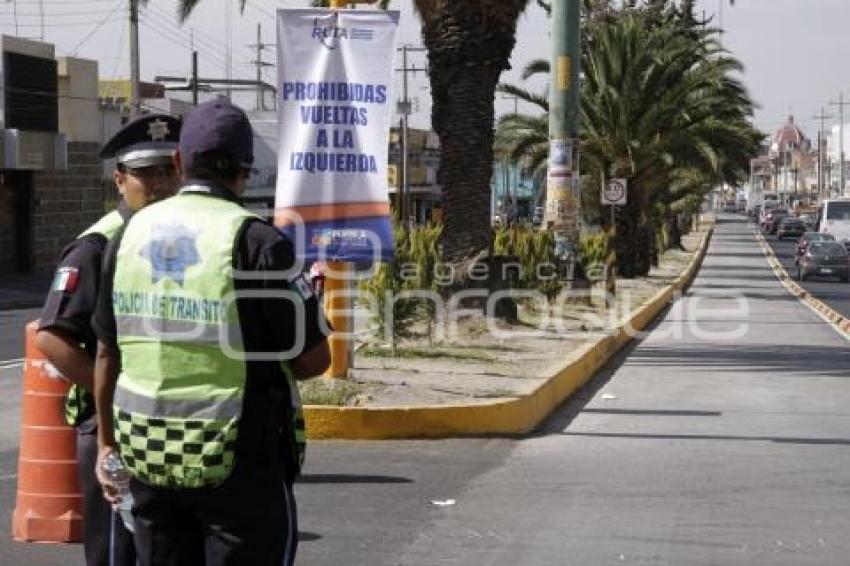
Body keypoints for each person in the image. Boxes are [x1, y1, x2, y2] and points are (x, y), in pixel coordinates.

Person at [91, 98, 331, 566]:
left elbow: (106, 354)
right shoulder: (260, 243)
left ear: (179, 162)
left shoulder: (127, 236)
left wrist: (106, 445)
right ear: (247, 170)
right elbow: (312, 361)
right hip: (238, 463)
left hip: (148, 457)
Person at [36, 113, 182, 566]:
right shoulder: (97, 246)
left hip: (168, 426)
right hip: (113, 431)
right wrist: (119, 396)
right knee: (118, 554)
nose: (158, 183)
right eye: (144, 173)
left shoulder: (179, 238)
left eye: (167, 171)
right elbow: (52, 339)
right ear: (120, 180)